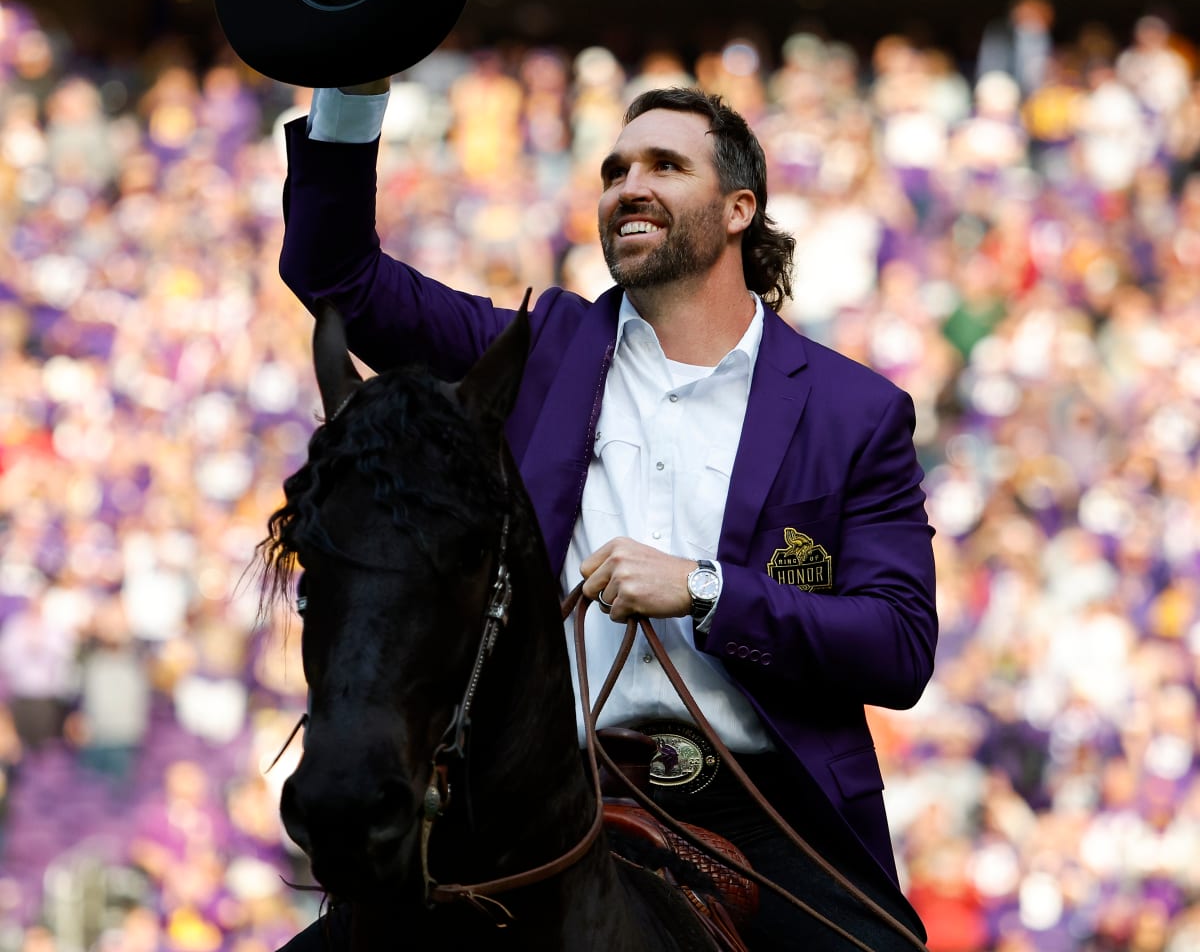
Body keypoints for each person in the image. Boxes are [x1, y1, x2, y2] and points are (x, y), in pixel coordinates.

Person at [277, 78, 938, 950]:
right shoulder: (537, 347)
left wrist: (703, 589)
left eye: (667, 165)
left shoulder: (857, 410)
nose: (630, 184)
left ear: (740, 208)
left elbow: (897, 647)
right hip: (535, 797)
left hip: (764, 814)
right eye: (616, 169)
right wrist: (352, 92)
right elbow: (335, 274)